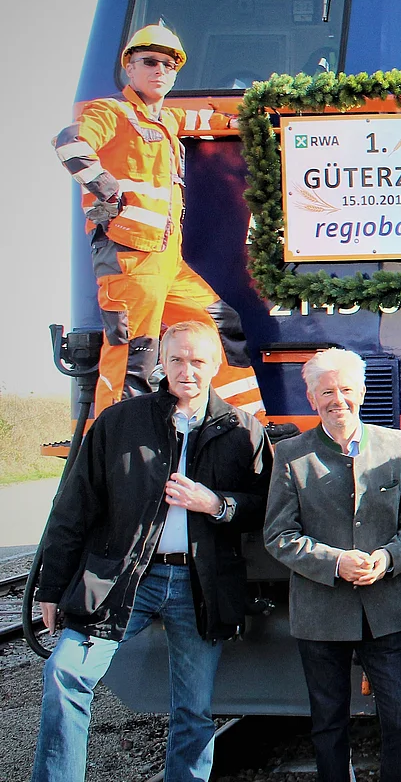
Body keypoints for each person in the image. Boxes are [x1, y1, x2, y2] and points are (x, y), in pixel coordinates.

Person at [32, 319, 271, 782]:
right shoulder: (120, 423)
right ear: (161, 362)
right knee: (65, 674)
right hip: (124, 578)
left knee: (194, 709)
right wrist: (51, 585)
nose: (188, 370)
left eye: (199, 361)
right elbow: (74, 506)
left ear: (217, 365)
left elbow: (263, 509)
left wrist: (216, 504)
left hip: (199, 585)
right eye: (177, 359)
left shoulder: (243, 430)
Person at [52, 23, 264, 417]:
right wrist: (105, 187)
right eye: (150, 62)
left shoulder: (166, 121)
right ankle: (115, 448)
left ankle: (245, 423)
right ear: (128, 68)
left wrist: (243, 123)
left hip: (167, 261)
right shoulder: (110, 112)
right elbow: (70, 142)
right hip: (130, 258)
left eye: (169, 65)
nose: (160, 71)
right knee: (133, 355)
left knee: (220, 325)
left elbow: (206, 120)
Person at [263, 348, 401, 782]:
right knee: (328, 724)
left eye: (347, 389)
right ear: (311, 397)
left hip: (388, 609)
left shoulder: (395, 445)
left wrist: (389, 557)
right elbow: (278, 535)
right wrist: (335, 562)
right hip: (320, 613)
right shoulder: (290, 454)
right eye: (327, 391)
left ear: (362, 392)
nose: (339, 399)